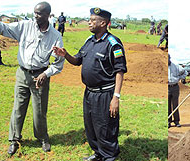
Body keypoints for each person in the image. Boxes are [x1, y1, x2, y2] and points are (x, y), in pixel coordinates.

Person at [0, 1, 64, 156]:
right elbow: (4, 28)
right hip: (22, 74)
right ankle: (14, 140)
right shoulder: (25, 26)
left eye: (39, 13)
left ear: (48, 15)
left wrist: (46, 74)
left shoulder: (55, 36)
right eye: (34, 12)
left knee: (40, 110)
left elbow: (59, 62)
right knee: (18, 108)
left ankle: (42, 138)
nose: (35, 15)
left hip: (40, 77)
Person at [52, 7, 126, 161]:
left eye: (93, 21)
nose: (89, 23)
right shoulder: (89, 41)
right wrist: (65, 55)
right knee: (91, 127)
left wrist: (116, 97)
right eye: (90, 20)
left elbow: (120, 71)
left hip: (105, 94)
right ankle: (98, 154)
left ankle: (109, 157)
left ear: (103, 23)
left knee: (105, 128)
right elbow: (78, 60)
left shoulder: (113, 44)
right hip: (89, 93)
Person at [168, 54, 187, 128]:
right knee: (168, 105)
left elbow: (185, 72)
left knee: (175, 105)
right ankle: (168, 122)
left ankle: (176, 121)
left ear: (170, 58)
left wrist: (179, 78)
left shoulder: (176, 66)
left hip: (175, 87)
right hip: (167, 87)